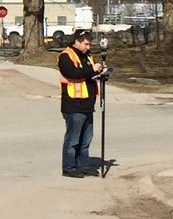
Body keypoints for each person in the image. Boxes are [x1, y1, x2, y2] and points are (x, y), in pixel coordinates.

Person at [58, 29, 103, 178]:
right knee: (73, 139)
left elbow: (89, 75)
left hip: (88, 105)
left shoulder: (87, 56)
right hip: (73, 105)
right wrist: (91, 69)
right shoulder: (66, 56)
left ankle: (84, 166)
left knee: (86, 139)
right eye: (86, 44)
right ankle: (69, 167)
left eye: (89, 44)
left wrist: (101, 72)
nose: (88, 47)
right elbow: (73, 73)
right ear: (77, 41)